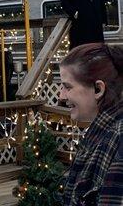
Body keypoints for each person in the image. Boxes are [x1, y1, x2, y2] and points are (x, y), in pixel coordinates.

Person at [59, 43, 123, 205]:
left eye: (67, 87)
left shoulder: (117, 139)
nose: (61, 96)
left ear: (98, 89)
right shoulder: (102, 135)